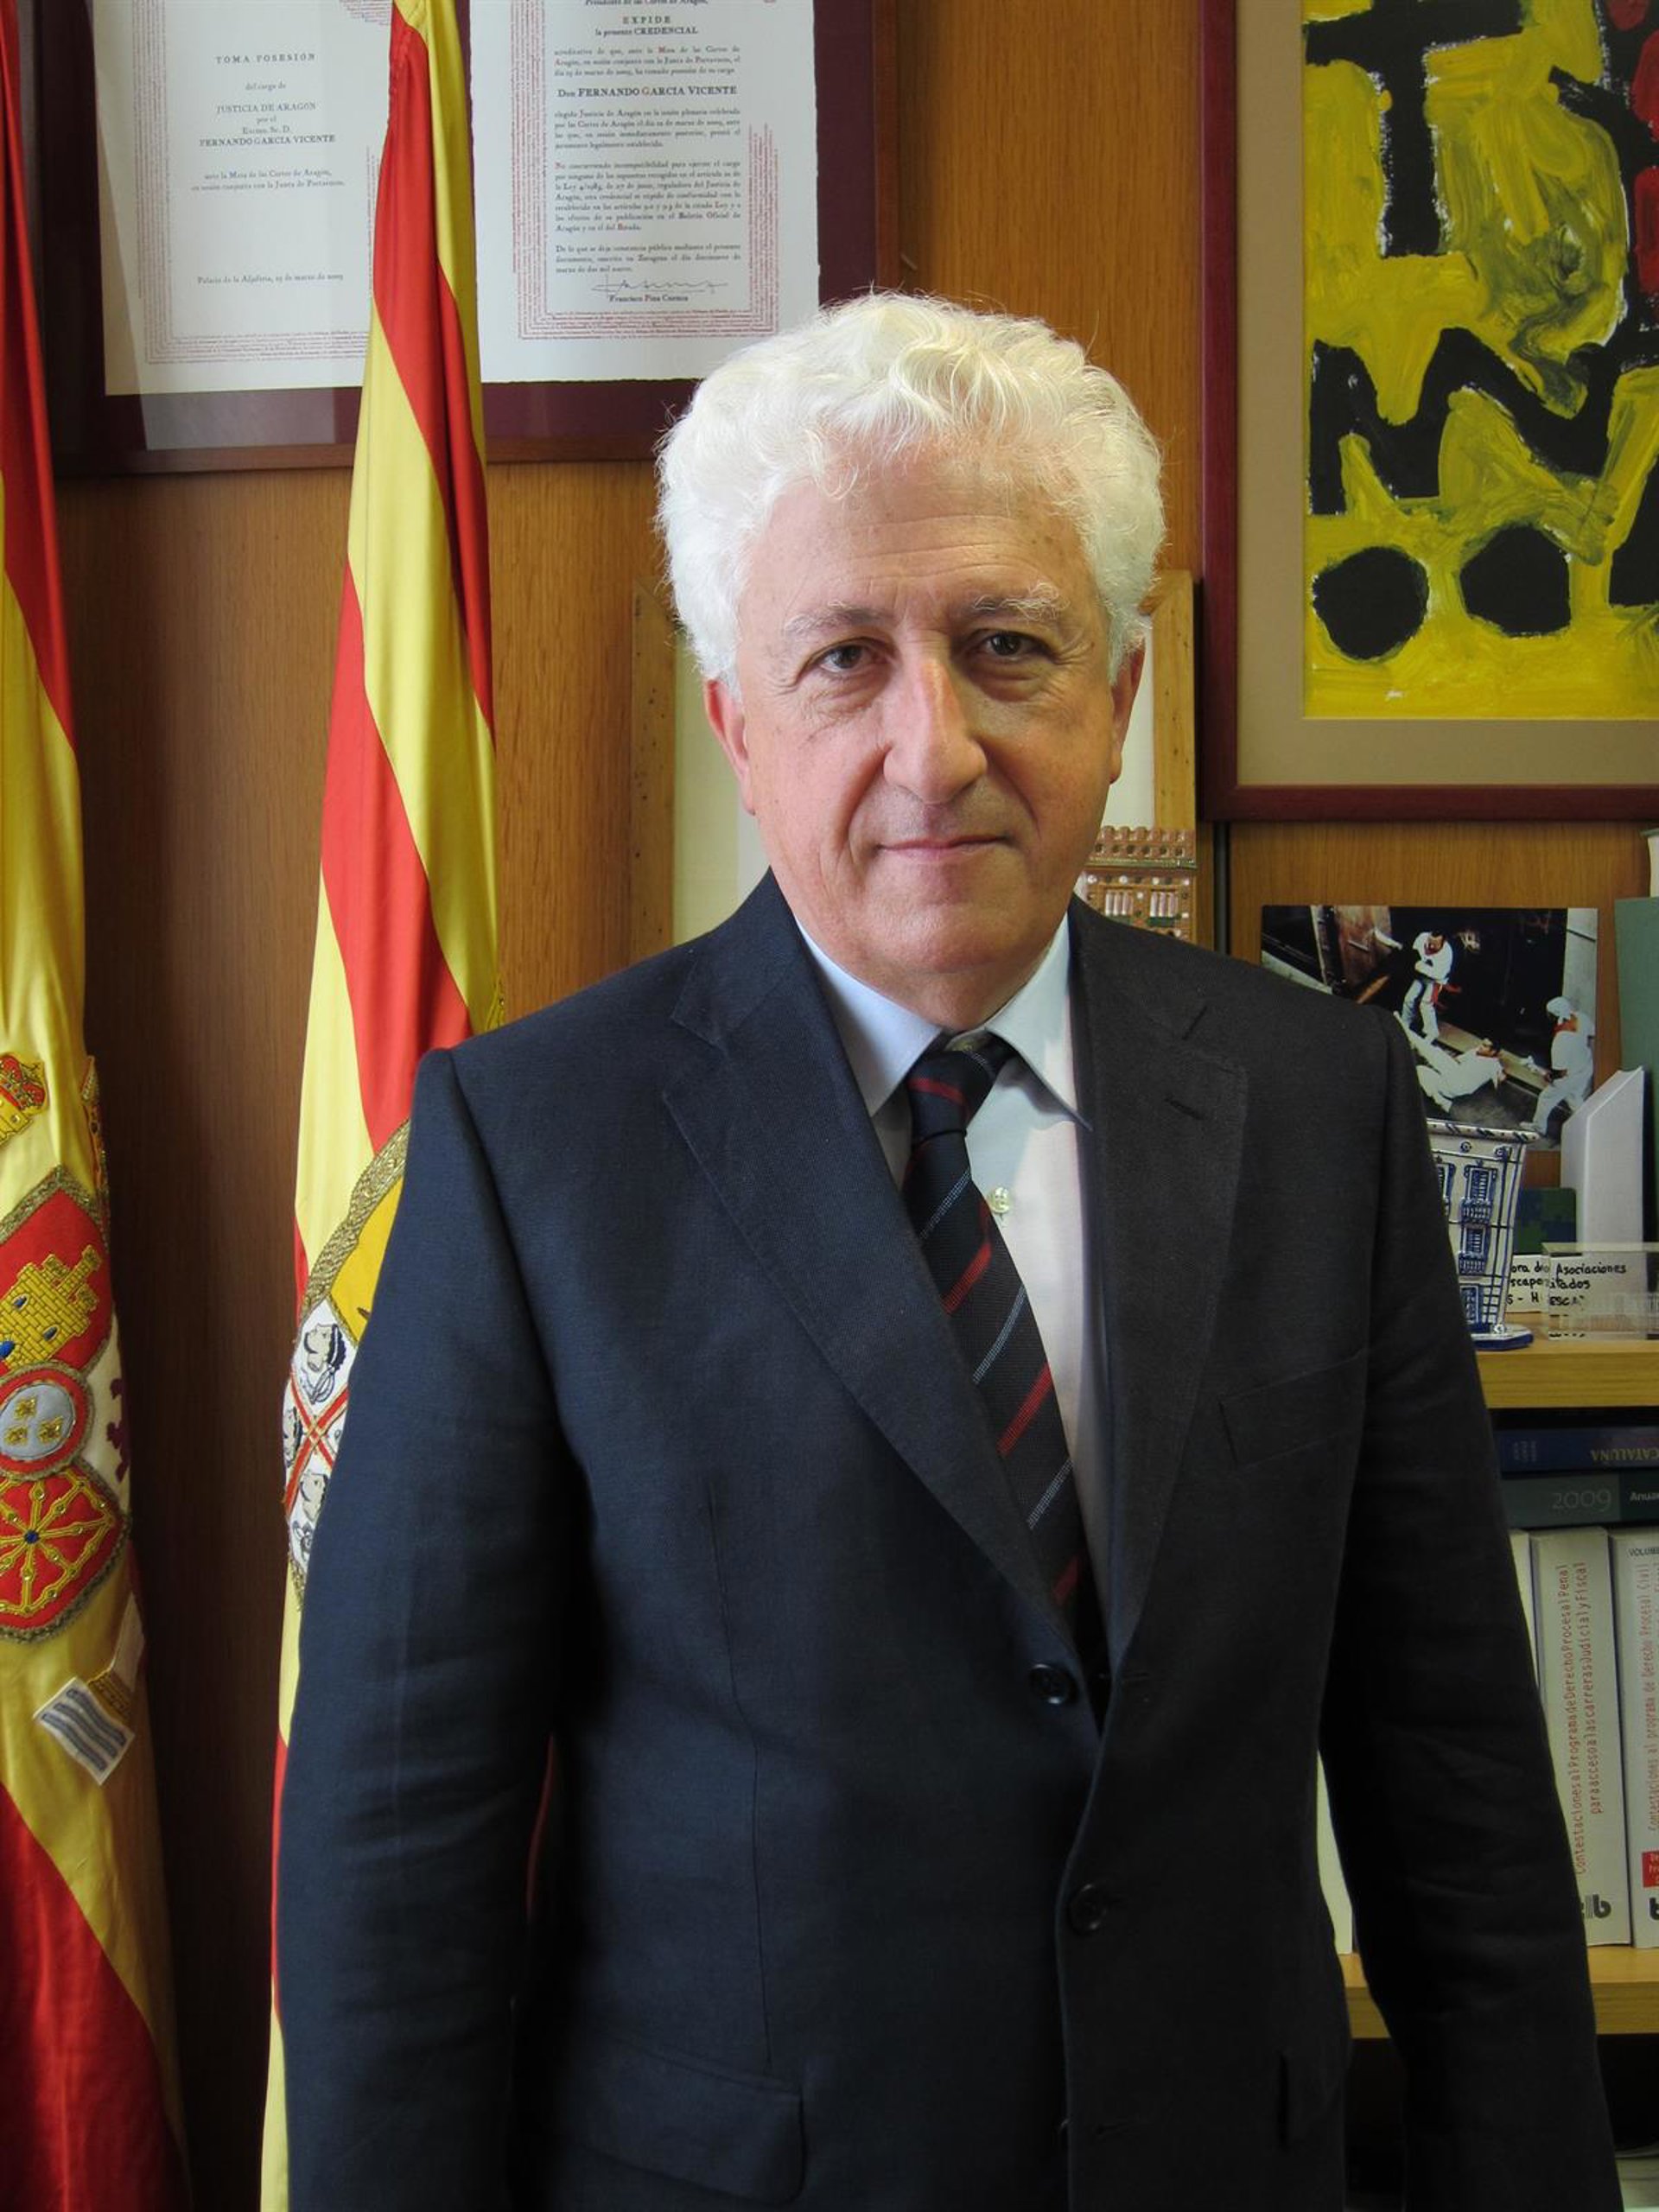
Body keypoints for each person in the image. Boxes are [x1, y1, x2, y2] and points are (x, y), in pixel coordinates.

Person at [277, 296, 1617, 2212]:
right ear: (738, 725)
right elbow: (402, 1844)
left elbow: (1453, 1778)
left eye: (1008, 645)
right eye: (845, 658)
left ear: (1119, 693)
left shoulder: (1320, 1103)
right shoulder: (530, 1147)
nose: (939, 748)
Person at [1532, 993, 1596, 1137]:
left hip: (1570, 1076)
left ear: (1553, 1016)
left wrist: (1547, 1076)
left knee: (1545, 1098)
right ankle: (1590, 1129)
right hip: (1586, 1067)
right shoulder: (1581, 1017)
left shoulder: (1561, 1040)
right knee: (1575, 1099)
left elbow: (1561, 1072)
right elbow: (1592, 1034)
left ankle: (1538, 1128)